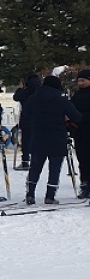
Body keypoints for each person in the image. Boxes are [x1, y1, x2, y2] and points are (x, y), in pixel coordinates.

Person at [22, 75, 83, 205]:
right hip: (57, 137)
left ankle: (30, 194)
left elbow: (25, 115)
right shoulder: (61, 100)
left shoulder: (33, 98)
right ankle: (50, 196)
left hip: (38, 136)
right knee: (54, 168)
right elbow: (76, 117)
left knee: (35, 167)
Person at [13, 73, 41, 170]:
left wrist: (20, 88)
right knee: (37, 141)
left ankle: (25, 160)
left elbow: (16, 97)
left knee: (26, 141)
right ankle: (36, 160)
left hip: (26, 119)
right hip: (39, 119)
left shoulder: (25, 92)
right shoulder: (40, 91)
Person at [70, 70, 90, 199]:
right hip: (80, 133)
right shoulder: (76, 95)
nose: (81, 83)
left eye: (83, 80)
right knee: (83, 160)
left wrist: (80, 117)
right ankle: (85, 185)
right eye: (79, 81)